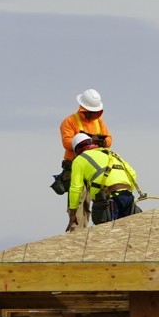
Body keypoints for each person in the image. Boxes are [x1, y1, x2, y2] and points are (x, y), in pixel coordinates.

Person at [57, 89, 113, 228]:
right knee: (79, 201)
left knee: (99, 200)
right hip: (77, 166)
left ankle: (98, 230)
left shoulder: (99, 122)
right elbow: (67, 142)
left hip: (96, 169)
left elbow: (109, 139)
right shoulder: (70, 121)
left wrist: (101, 142)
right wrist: (86, 141)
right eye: (90, 111)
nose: (93, 114)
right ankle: (77, 231)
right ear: (83, 109)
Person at [67, 132, 140, 232]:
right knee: (128, 233)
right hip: (127, 196)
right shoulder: (111, 153)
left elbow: (76, 188)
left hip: (107, 201)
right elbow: (132, 173)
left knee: (109, 236)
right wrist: (125, 192)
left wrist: (72, 214)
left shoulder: (79, 160)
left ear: (77, 149)